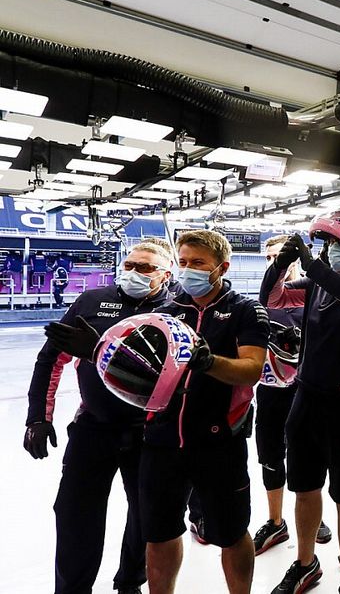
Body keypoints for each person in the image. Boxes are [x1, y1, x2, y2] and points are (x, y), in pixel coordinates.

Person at [28, 240, 174, 594]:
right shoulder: (91, 301)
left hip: (151, 433)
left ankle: (129, 582)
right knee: (74, 514)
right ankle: (72, 589)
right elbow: (51, 357)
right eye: (129, 265)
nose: (133, 273)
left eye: (145, 268)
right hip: (94, 426)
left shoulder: (179, 309)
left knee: (146, 516)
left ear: (165, 275)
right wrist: (37, 417)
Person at [264, 208, 340, 594]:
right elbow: (271, 298)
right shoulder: (318, 282)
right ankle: (305, 563)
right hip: (307, 396)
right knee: (304, 486)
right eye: (327, 242)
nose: (329, 249)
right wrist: (282, 264)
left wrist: (315, 267)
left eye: (338, 243)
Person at [142, 229, 269, 594]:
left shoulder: (245, 310)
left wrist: (207, 361)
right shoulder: (165, 311)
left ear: (221, 267)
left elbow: (252, 368)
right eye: (183, 262)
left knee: (230, 533)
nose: (188, 270)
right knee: (159, 532)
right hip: (162, 440)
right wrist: (101, 352)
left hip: (218, 443)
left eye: (197, 263)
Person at [250, 235, 332, 555]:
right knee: (270, 455)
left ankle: (312, 515)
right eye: (269, 257)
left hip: (306, 389)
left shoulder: (311, 296)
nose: (275, 262)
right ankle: (275, 521)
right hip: (270, 389)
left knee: (308, 457)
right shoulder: (260, 301)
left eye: (280, 256)